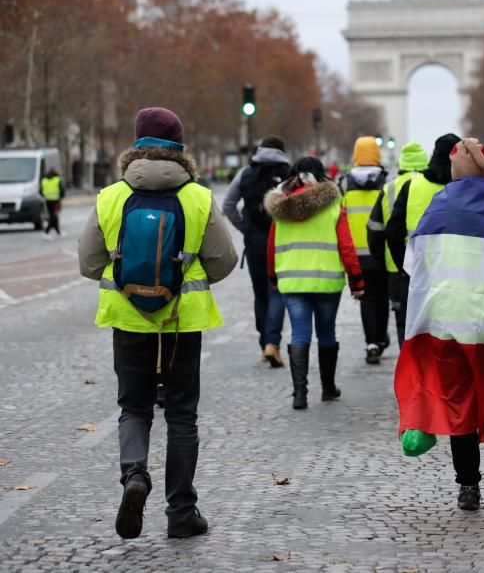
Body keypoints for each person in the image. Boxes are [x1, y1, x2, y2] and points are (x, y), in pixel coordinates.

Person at [77, 107, 238, 540]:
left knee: (134, 408)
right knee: (182, 416)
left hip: (128, 321)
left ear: (135, 146)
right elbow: (224, 263)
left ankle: (134, 475)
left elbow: (89, 263)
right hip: (182, 322)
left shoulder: (110, 196)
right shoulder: (198, 197)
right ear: (180, 148)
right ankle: (182, 513)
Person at [394, 139, 484, 510]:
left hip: (447, 319)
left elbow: (415, 262)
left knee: (458, 397)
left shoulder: (439, 204)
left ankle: (468, 486)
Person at [265, 157, 364, 409]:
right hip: (327, 279)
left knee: (299, 332)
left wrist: (272, 275)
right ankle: (328, 388)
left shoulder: (281, 206)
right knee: (327, 332)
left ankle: (300, 394)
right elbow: (346, 244)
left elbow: (272, 245)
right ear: (321, 176)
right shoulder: (333, 204)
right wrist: (356, 279)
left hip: (292, 279)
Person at [385, 133, 462, 359]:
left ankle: (416, 381)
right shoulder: (464, 188)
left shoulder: (412, 186)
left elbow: (393, 230)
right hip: (455, 275)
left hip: (416, 273)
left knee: (413, 332)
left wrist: (404, 265)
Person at [222, 136, 291, 366]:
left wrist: (245, 228)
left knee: (260, 293)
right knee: (277, 292)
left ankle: (264, 343)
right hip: (281, 241)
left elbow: (228, 205)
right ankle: (273, 343)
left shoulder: (245, 173)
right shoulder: (290, 173)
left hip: (255, 242)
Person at [367, 141, 429, 349]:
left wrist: (381, 259)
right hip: (430, 265)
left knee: (402, 319)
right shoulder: (433, 185)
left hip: (396, 265)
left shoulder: (389, 187)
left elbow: (375, 229)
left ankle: (407, 364)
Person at [341, 137, 389, 364]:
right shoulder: (386, 182)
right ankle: (380, 339)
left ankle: (370, 342)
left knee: (366, 299)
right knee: (382, 298)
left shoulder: (344, 184)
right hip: (380, 251)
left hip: (356, 254)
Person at [40, 167, 65, 238]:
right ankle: (46, 232)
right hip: (55, 201)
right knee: (53, 217)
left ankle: (58, 232)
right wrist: (61, 197)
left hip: (48, 200)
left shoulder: (44, 180)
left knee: (54, 216)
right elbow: (62, 190)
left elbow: (40, 191)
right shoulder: (57, 180)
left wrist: (45, 196)